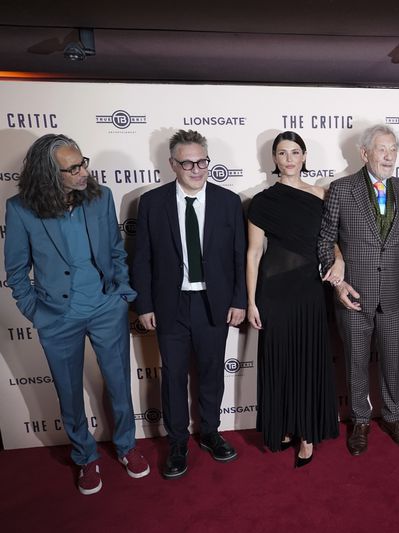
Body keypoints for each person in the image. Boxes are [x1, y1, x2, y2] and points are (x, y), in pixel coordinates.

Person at [4, 134, 149, 495]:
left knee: (118, 383)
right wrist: (36, 312)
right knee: (68, 392)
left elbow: (116, 250)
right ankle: (85, 457)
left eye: (83, 162)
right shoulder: (21, 209)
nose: (83, 171)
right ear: (50, 175)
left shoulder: (100, 198)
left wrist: (120, 293)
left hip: (105, 307)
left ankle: (127, 447)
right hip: (56, 316)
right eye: (73, 168)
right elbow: (17, 271)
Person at [132, 129, 246, 478]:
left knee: (212, 373)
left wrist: (239, 299)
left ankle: (211, 432)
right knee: (173, 376)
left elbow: (240, 256)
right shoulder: (152, 203)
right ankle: (177, 442)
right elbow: (142, 259)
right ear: (172, 164)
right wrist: (145, 305)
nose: (197, 169)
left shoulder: (228, 201)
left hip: (215, 303)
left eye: (203, 161)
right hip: (171, 305)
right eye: (188, 163)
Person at [318, 125, 399, 456]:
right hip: (353, 295)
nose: (389, 156)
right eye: (382, 149)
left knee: (392, 360)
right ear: (365, 153)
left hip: (393, 294)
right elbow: (325, 239)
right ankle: (360, 420)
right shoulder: (342, 189)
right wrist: (338, 280)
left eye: (393, 149)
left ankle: (392, 416)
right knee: (356, 362)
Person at [246, 131, 340, 467]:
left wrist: (339, 259)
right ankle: (284, 424)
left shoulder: (321, 194)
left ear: (303, 157)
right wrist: (253, 302)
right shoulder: (262, 201)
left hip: (308, 289)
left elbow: (331, 239)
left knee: (308, 360)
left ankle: (308, 434)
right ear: (274, 158)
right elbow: (254, 254)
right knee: (281, 361)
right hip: (273, 292)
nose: (289, 158)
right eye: (282, 152)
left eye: (295, 152)